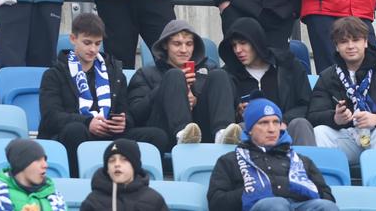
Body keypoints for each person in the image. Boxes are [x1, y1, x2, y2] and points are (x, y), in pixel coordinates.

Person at [38, 13, 169, 177]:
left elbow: (125, 111)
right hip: (77, 134)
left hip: (110, 134)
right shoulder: (54, 74)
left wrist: (123, 121)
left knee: (157, 136)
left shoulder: (114, 74)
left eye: (97, 43)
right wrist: (88, 122)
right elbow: (51, 117)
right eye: (87, 43)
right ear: (73, 39)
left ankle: (137, 185)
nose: (93, 49)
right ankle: (78, 180)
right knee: (74, 130)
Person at [308, 16, 376, 163]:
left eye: (355, 40)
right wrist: (335, 118)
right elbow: (313, 114)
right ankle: (331, 184)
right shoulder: (328, 75)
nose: (350, 46)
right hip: (350, 136)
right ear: (336, 46)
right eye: (343, 42)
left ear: (365, 42)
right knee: (319, 133)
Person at [207, 95, 338, 211]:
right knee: (276, 205)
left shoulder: (302, 161)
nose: (271, 129)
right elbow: (216, 203)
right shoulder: (230, 160)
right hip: (262, 207)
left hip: (300, 206)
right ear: (250, 129)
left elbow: (328, 197)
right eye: (264, 123)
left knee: (327, 207)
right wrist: (251, 191)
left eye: (276, 122)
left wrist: (305, 189)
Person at [128, 19, 241, 146]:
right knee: (175, 75)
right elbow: (135, 115)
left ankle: (222, 133)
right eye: (177, 44)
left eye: (189, 44)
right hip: (165, 132)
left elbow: (231, 105)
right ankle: (183, 134)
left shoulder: (209, 70)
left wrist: (196, 98)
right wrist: (166, 90)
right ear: (165, 45)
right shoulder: (146, 74)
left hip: (204, 132)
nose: (184, 50)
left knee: (220, 74)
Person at [220, 17, 316, 146]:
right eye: (234, 45)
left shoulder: (288, 65)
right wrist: (238, 112)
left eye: (243, 43)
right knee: (240, 128)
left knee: (300, 124)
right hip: (251, 133)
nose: (238, 50)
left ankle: (306, 166)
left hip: (286, 128)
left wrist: (282, 121)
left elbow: (306, 104)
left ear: (256, 42)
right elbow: (223, 116)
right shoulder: (228, 74)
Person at [0, 138, 67, 211]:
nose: (45, 165)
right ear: (22, 164)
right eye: (38, 160)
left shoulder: (56, 199)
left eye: (44, 160)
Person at [80, 139, 168, 211]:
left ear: (135, 165)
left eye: (124, 159)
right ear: (107, 169)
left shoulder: (153, 199)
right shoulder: (93, 201)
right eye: (111, 160)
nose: (117, 164)